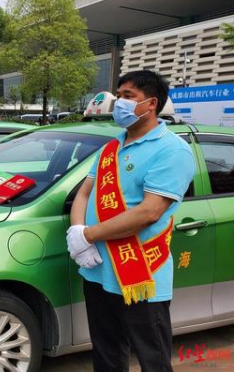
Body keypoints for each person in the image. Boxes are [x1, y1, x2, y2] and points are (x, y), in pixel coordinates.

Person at [67, 70, 196, 372]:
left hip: (140, 274)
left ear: (151, 104)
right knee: (106, 354)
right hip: (98, 272)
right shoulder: (111, 148)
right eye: (118, 96)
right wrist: (77, 231)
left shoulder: (172, 150)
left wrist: (88, 236)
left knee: (152, 359)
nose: (119, 103)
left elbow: (148, 212)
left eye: (128, 96)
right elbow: (84, 193)